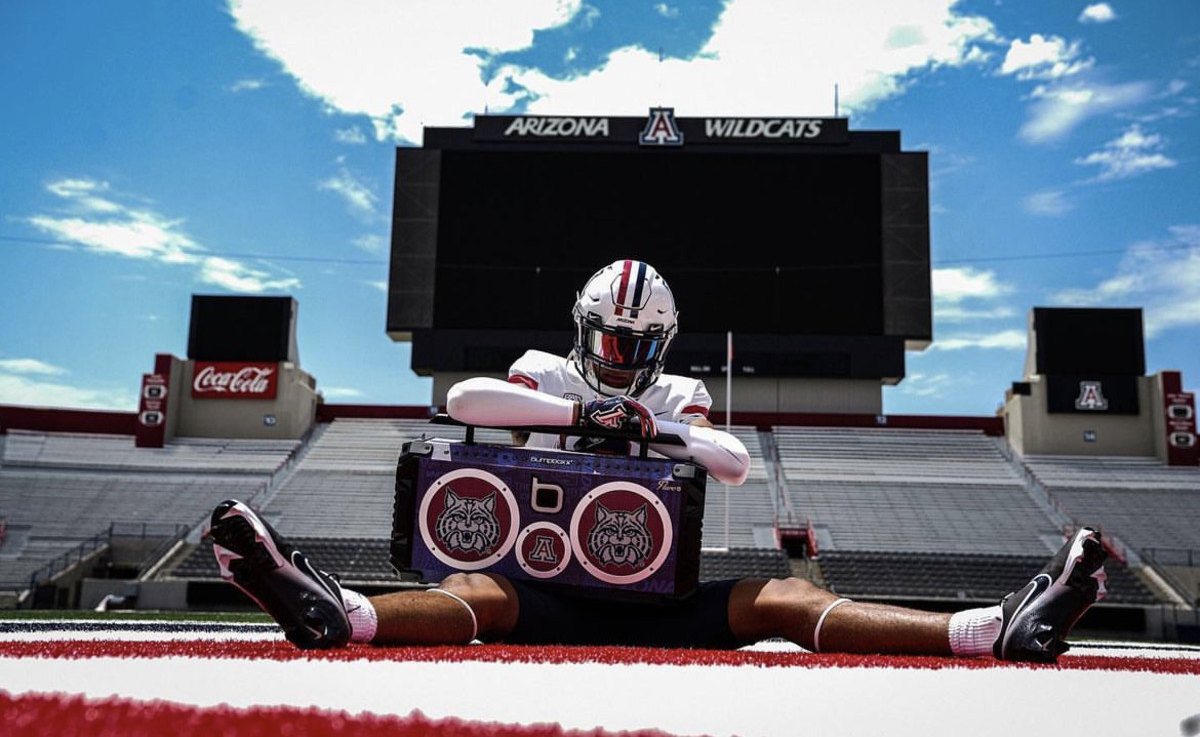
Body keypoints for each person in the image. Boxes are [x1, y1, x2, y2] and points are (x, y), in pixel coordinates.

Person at [209, 259, 1108, 663]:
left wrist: (649, 426)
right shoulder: (548, 373)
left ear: (661, 341)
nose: (621, 353)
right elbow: (465, 401)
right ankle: (339, 612)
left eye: (638, 343)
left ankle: (991, 630)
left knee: (788, 600)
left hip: (657, 594)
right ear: (585, 329)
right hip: (547, 588)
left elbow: (733, 465)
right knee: (475, 592)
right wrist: (583, 408)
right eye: (611, 338)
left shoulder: (675, 392)